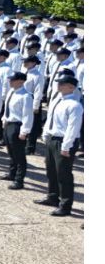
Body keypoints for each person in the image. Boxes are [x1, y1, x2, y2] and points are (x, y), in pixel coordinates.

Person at [37, 72, 83, 216]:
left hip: (64, 141)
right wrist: (46, 134)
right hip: (53, 138)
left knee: (64, 174)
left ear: (71, 87)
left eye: (62, 83)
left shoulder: (75, 105)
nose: (58, 85)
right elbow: (50, 118)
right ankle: (52, 197)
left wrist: (66, 146)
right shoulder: (58, 101)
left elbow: (73, 128)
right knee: (51, 170)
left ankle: (65, 205)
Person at [0, 71, 34, 190]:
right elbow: (7, 108)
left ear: (21, 81)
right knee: (11, 152)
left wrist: (24, 131)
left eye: (12, 80)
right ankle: (11, 173)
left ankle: (19, 180)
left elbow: (28, 115)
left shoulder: (26, 96)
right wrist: (4, 119)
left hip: (17, 126)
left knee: (19, 155)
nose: (10, 82)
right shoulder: (11, 92)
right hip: (9, 124)